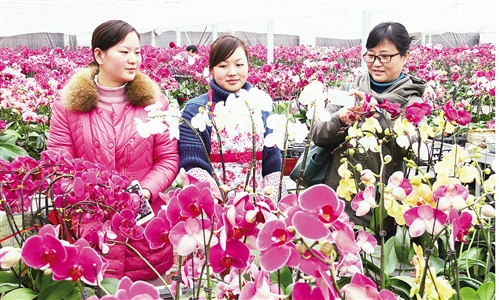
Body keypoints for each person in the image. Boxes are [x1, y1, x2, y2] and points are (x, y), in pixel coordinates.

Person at [46, 20, 179, 281]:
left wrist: (145, 190)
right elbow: (59, 168)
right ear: (99, 55)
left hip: (143, 228)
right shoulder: (67, 107)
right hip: (90, 228)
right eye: (124, 51)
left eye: (137, 52)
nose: (134, 60)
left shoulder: (154, 103)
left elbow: (168, 158)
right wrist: (92, 196)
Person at [310, 22, 426, 228]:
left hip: (384, 202)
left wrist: (375, 112)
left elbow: (411, 149)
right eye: (371, 55)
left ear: (405, 56)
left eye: (385, 56)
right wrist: (340, 118)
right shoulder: (351, 89)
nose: (377, 63)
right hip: (339, 194)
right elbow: (317, 133)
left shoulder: (414, 103)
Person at [178, 35, 285, 204]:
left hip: (257, 208)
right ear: (211, 69)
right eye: (223, 65)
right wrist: (218, 203)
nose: (232, 72)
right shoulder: (195, 109)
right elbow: (193, 163)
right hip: (214, 207)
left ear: (248, 66)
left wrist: (270, 206)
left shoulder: (261, 106)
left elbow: (273, 165)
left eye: (239, 64)